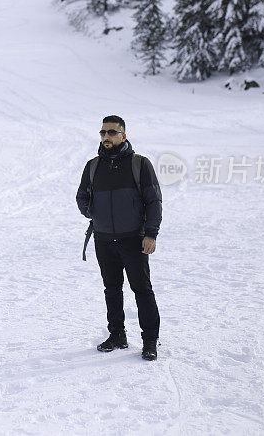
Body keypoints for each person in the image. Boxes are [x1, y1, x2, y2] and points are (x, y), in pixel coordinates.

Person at [75, 115, 162, 360]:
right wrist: (94, 213)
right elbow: (81, 197)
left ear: (123, 135)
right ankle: (117, 335)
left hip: (133, 240)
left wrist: (151, 234)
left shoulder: (140, 164)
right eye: (103, 133)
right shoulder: (93, 166)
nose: (106, 137)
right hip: (103, 240)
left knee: (142, 289)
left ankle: (150, 341)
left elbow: (154, 201)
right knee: (111, 290)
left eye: (111, 132)